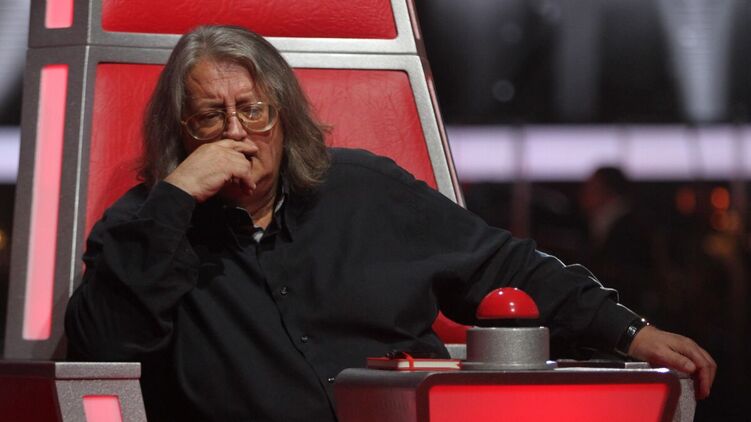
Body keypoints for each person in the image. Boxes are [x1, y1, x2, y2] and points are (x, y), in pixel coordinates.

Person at [64, 25, 715, 421]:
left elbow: (504, 265)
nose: (236, 132)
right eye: (210, 116)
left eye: (253, 109)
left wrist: (630, 331)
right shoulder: (144, 226)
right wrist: (177, 197)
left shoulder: (365, 187)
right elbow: (102, 350)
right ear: (181, 133)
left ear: (283, 117)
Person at [579, 166, 657, 316]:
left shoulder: (628, 228)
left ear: (607, 190)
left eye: (590, 189)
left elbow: (626, 277)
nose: (583, 195)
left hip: (626, 312)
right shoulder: (609, 223)